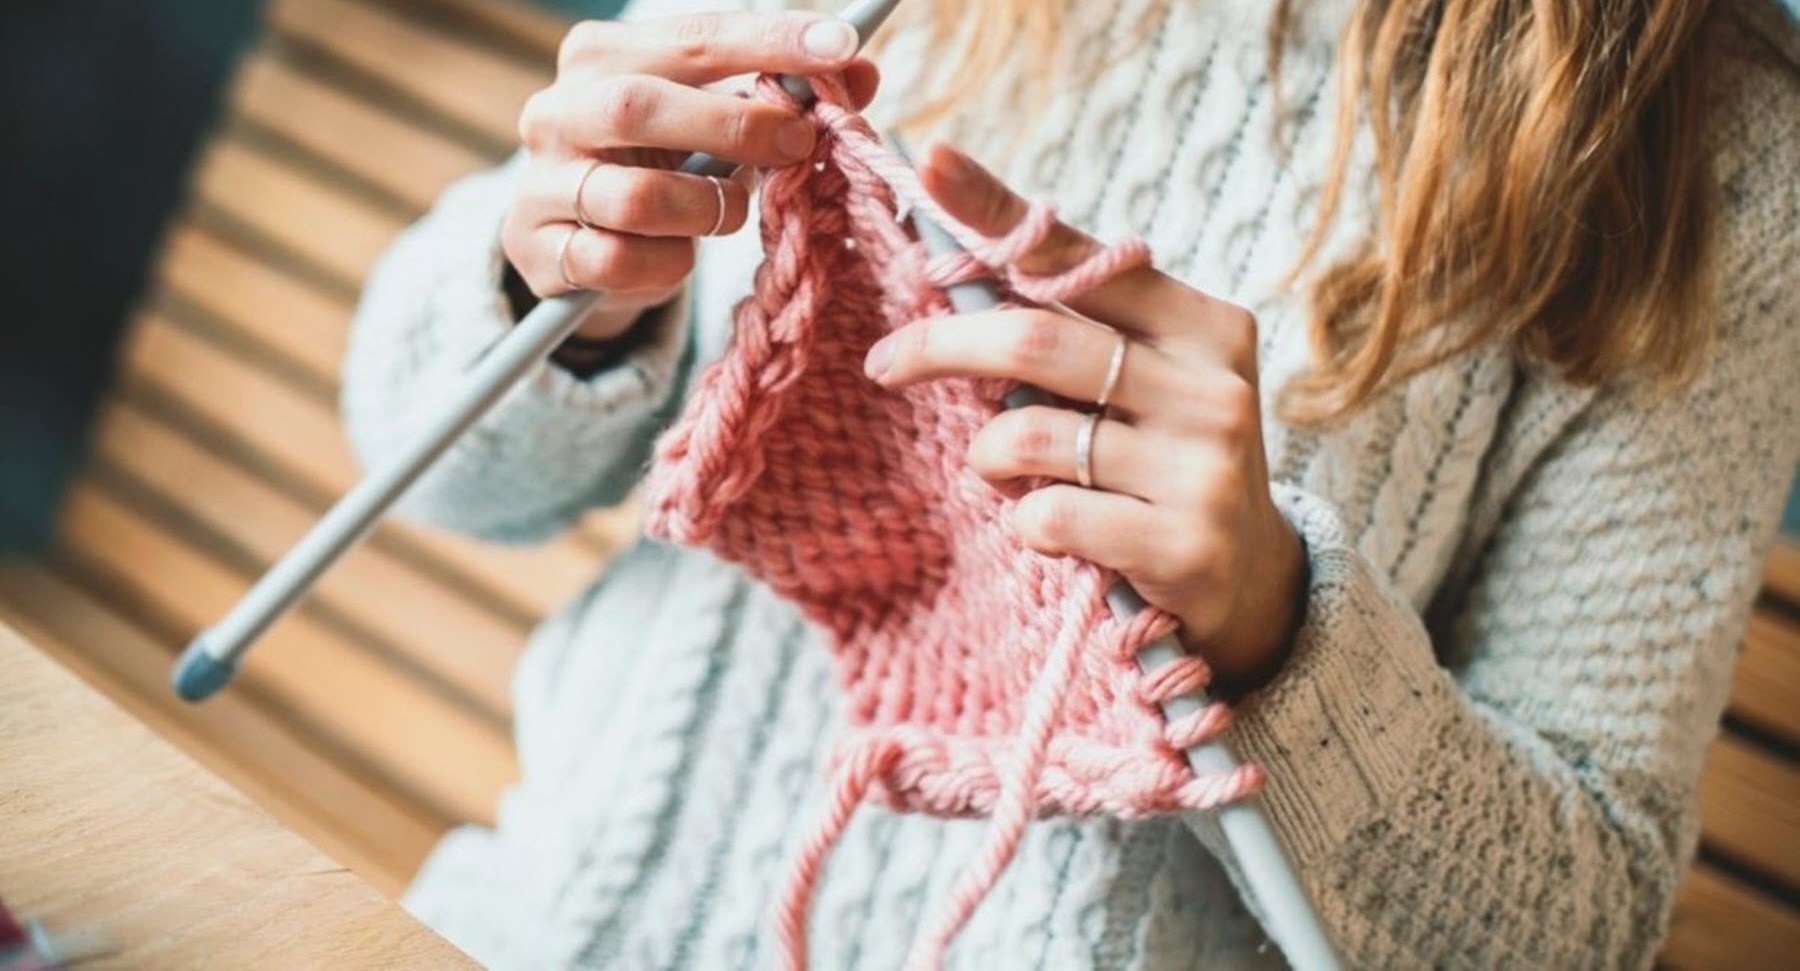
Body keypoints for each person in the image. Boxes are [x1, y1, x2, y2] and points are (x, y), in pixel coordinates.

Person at [341, 0, 1800, 966]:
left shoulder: (1709, 154)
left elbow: (1576, 930)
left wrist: (1275, 625)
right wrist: (562, 283)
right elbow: (433, 467)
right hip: (538, 929)